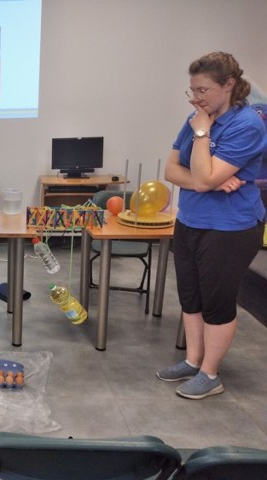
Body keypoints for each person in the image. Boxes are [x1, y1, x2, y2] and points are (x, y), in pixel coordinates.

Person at [158, 52, 266, 399]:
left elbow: (201, 177)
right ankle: (192, 360)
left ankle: (210, 373)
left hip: (230, 228)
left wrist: (203, 135)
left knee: (217, 302)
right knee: (191, 298)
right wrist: (212, 181)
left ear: (229, 85)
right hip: (190, 220)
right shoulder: (195, 117)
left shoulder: (247, 124)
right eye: (192, 91)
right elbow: (171, 171)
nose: (196, 98)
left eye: (203, 90)